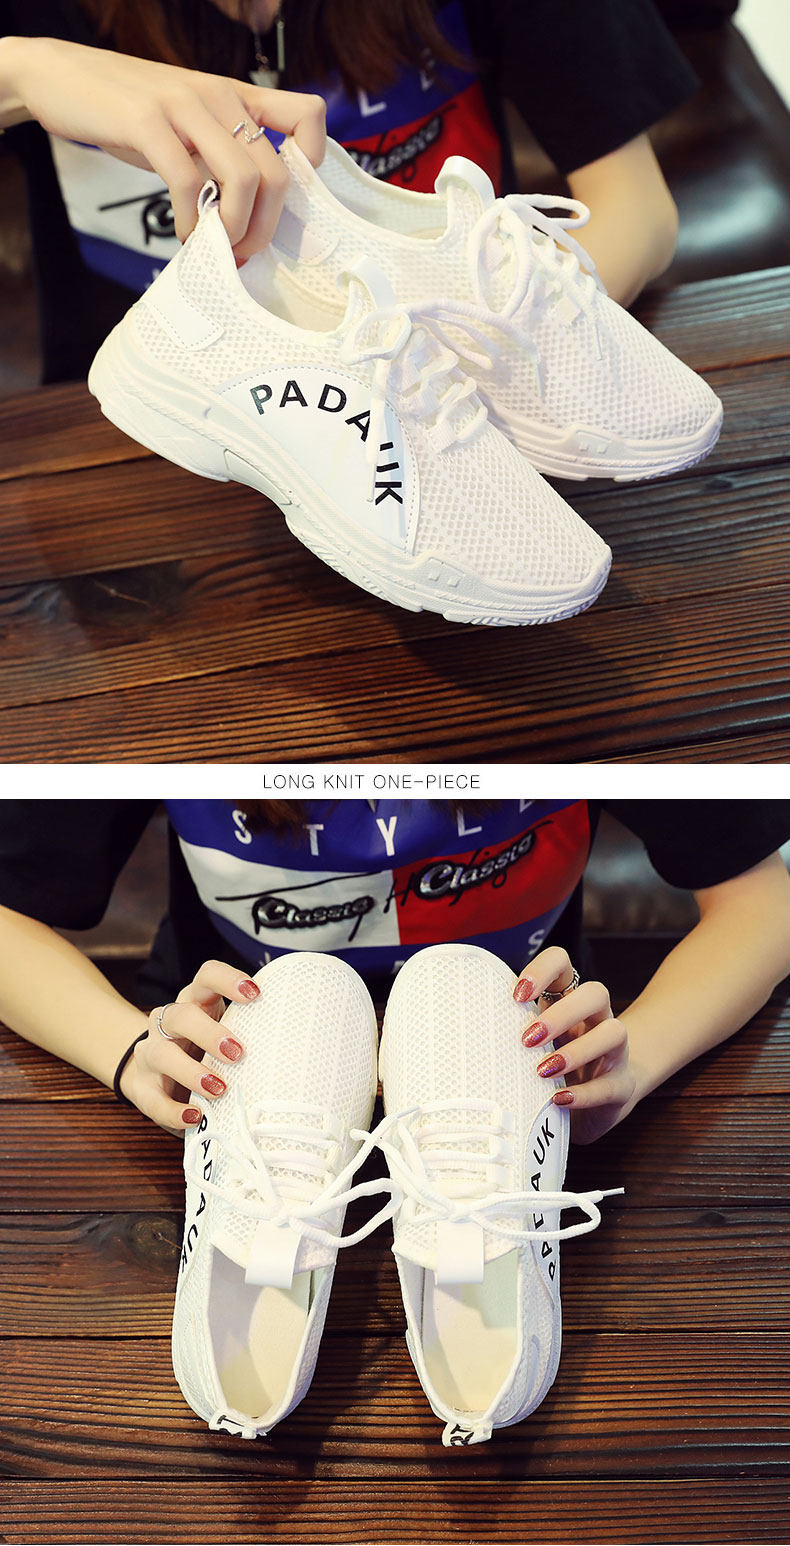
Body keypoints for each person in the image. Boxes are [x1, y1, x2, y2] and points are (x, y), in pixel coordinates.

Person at [0, 797, 788, 1150]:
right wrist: (126, 1051)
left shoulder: (583, 687)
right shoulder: (162, 693)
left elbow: (765, 902)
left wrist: (639, 1056)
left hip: (515, 1081)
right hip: (227, 1080)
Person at [0, 0, 696, 383]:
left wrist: (500, 357)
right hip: (156, 411)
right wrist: (26, 69)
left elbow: (635, 210)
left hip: (447, 397)